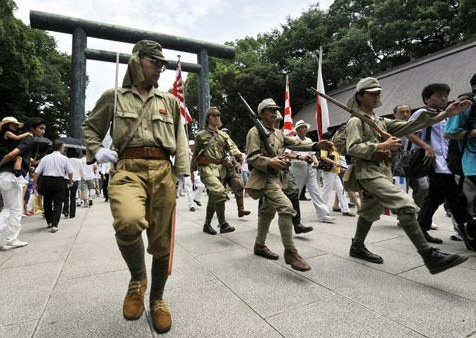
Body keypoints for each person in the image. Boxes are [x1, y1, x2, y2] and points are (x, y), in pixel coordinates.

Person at [82, 40, 189, 334]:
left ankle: (157, 299)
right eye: (154, 61)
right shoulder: (114, 97)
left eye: (162, 63)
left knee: (161, 242)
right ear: (136, 61)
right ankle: (138, 280)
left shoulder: (169, 101)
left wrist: (183, 171)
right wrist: (97, 149)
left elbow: (180, 136)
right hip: (127, 169)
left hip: (163, 171)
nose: (159, 68)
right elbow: (89, 127)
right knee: (128, 221)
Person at [344, 77, 469, 274]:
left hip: (382, 171)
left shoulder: (379, 120)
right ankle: (429, 256)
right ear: (360, 96)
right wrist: (381, 146)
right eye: (372, 93)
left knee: (369, 211)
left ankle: (357, 246)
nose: (377, 96)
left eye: (378, 92)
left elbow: (408, 127)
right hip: (368, 173)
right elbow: (352, 148)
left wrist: (446, 113)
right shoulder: (355, 121)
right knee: (405, 205)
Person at [245, 98, 333, 271]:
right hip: (265, 177)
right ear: (261, 113)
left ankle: (259, 245)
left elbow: (297, 143)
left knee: (266, 212)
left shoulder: (278, 133)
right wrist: (269, 161)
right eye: (269, 109)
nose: (273, 112)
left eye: (275, 109)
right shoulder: (254, 132)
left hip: (279, 177)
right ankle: (290, 252)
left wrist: (315, 144)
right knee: (286, 208)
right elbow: (252, 157)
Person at [407, 83, 475, 244]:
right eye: (438, 96)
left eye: (445, 95)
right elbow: (409, 131)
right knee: (454, 198)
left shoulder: (448, 113)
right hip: (432, 161)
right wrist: (426, 147)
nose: (443, 98)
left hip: (447, 162)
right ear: (426, 99)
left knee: (434, 197)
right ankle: (469, 233)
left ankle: (421, 230)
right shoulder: (421, 113)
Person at [191, 106, 242, 235]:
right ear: (208, 118)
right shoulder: (201, 135)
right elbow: (195, 155)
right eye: (214, 115)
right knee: (219, 192)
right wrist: (191, 172)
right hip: (206, 169)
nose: (217, 117)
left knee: (214, 197)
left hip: (220, 170)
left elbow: (232, 146)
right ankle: (223, 224)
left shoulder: (223, 135)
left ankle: (207, 225)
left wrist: (237, 154)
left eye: (218, 115)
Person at [0, 117, 47, 250]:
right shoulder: (29, 138)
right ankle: (12, 239)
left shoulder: (22, 139)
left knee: (8, 208)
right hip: (11, 177)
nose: (43, 131)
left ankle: (9, 238)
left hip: (5, 176)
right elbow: (11, 155)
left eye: (44, 129)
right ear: (32, 129)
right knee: (15, 209)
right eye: (41, 128)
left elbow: (27, 160)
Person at [444, 75, 476, 250]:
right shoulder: (466, 106)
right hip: (468, 163)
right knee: (465, 203)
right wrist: (472, 133)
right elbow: (448, 133)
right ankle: (465, 231)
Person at [287, 120, 336, 223]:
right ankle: (289, 214)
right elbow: (287, 154)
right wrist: (299, 157)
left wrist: (316, 162)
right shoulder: (292, 140)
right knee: (295, 193)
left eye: (305, 127)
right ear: (297, 130)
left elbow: (313, 154)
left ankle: (323, 214)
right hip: (297, 168)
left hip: (310, 169)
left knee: (316, 191)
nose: (304, 129)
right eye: (302, 127)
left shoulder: (309, 140)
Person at [34, 140, 73, 232]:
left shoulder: (45, 158)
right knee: (58, 203)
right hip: (59, 181)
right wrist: (70, 181)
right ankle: (55, 225)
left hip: (46, 181)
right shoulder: (64, 158)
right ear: (61, 147)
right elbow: (70, 172)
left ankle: (49, 222)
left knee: (47, 201)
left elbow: (37, 172)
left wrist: (35, 183)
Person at [319, 132, 354, 217]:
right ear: (329, 138)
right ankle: (322, 211)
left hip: (335, 171)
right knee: (326, 191)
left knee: (340, 190)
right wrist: (335, 163)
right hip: (329, 172)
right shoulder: (324, 146)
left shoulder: (333, 146)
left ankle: (346, 210)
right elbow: (323, 157)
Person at [0, 117, 32, 181]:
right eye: (12, 124)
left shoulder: (12, 132)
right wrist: (27, 133)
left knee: (19, 158)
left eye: (16, 125)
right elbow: (16, 138)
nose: (15, 126)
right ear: (7, 125)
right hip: (5, 150)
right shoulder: (7, 132)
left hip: (10, 150)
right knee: (17, 158)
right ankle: (18, 175)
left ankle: (18, 174)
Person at [63, 148, 84, 219]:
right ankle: (72, 214)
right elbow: (81, 171)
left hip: (66, 179)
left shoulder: (66, 159)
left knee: (66, 196)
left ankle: (65, 211)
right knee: (73, 197)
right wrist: (81, 177)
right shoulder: (79, 161)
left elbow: (64, 170)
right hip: (76, 180)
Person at [185, 140, 205, 211]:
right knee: (189, 189)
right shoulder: (186, 153)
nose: (192, 147)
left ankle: (196, 198)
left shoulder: (197, 153)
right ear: (188, 146)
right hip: (187, 172)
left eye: (193, 145)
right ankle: (191, 205)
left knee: (202, 186)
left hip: (196, 172)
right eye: (191, 145)